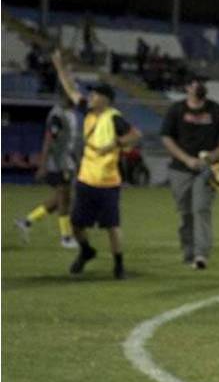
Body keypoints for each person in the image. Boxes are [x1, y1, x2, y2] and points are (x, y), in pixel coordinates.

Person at [49, 50, 142, 279]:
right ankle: (86, 251)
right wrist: (59, 65)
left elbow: (135, 135)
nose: (90, 97)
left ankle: (119, 265)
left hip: (108, 182)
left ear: (106, 99)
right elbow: (71, 89)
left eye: (95, 94)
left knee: (111, 225)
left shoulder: (114, 117)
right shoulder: (88, 112)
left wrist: (113, 145)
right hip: (86, 179)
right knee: (76, 223)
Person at [159, 75, 219, 270]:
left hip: (208, 170)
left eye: (202, 84)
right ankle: (189, 252)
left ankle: (201, 255)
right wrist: (187, 159)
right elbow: (166, 138)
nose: (200, 87)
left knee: (201, 209)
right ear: (187, 88)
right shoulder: (176, 110)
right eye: (195, 83)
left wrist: (214, 156)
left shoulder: (215, 109)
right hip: (180, 170)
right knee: (185, 213)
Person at [15, 91, 80, 249]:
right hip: (57, 163)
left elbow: (69, 141)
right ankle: (66, 238)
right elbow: (48, 140)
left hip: (67, 161)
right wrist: (43, 164)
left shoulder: (70, 113)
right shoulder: (57, 115)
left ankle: (27, 221)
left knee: (60, 198)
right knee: (65, 199)